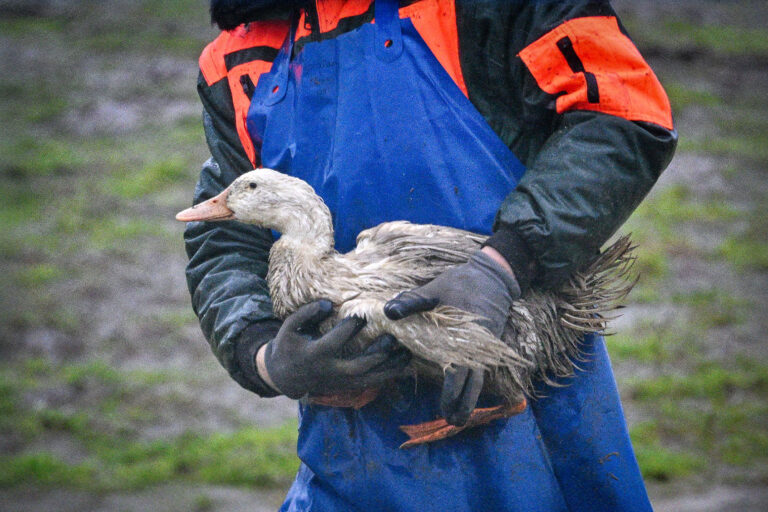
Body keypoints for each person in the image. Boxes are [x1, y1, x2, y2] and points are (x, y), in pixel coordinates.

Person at [183, 1, 677, 510]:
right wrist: (267, 356)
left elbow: (623, 115)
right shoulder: (238, 56)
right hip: (353, 463)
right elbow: (226, 232)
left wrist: (502, 266)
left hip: (537, 431)